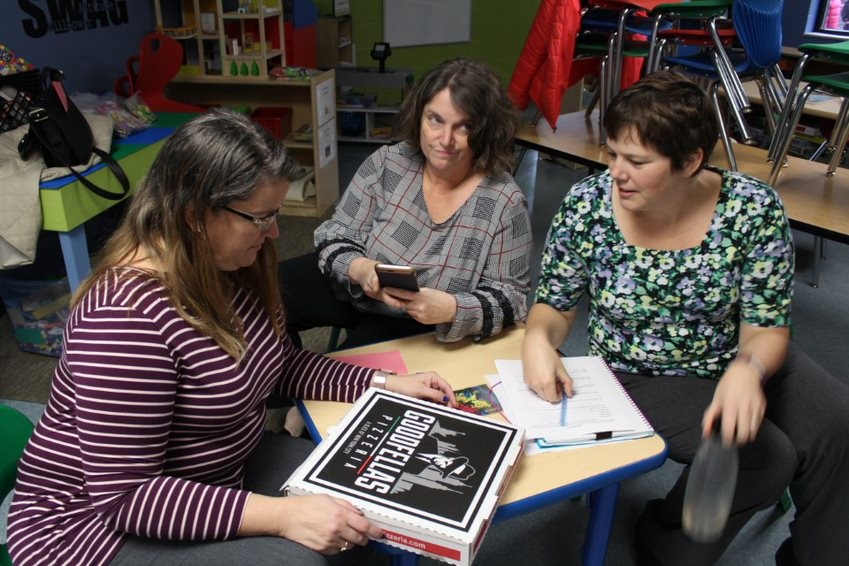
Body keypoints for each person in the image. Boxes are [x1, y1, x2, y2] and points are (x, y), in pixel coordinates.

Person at [6, 108, 457, 566]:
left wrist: (381, 384)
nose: (275, 231)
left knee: (363, 513)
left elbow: (277, 365)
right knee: (299, 559)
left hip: (218, 469)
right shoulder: (123, 319)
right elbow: (127, 496)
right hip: (92, 529)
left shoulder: (231, 265)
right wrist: (282, 517)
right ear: (196, 216)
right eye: (261, 218)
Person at [520, 72, 849, 566]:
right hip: (639, 371)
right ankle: (664, 540)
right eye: (612, 153)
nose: (615, 171)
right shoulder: (587, 207)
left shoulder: (752, 210)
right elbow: (555, 305)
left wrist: (747, 371)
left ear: (690, 161)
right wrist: (538, 341)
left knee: (839, 423)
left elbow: (766, 327)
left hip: (736, 352)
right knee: (758, 457)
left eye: (636, 160)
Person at [279, 57, 532, 349]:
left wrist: (452, 309)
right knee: (251, 299)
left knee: (356, 383)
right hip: (355, 289)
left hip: (417, 325)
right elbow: (336, 234)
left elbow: (511, 298)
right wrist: (362, 268)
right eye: (435, 119)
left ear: (487, 129)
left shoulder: (503, 201)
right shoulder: (389, 162)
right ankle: (277, 380)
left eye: (464, 127)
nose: (445, 140)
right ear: (419, 116)